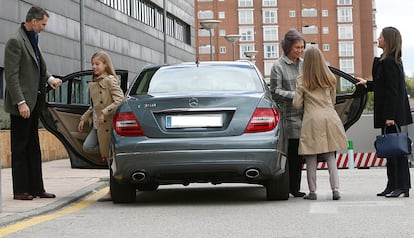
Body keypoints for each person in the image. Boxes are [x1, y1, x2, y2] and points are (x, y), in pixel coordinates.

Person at [3, 6, 62, 200]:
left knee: (34, 146)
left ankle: (37, 188)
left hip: (35, 101)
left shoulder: (33, 39)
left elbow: (38, 67)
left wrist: (50, 79)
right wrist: (20, 102)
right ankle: (21, 190)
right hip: (23, 104)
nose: (44, 27)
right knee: (20, 147)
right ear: (34, 21)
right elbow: (11, 76)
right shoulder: (15, 41)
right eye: (43, 24)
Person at [356, 27, 412, 198]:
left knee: (396, 152)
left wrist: (389, 116)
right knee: (392, 151)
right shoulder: (388, 60)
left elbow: (392, 91)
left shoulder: (390, 62)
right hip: (391, 113)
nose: (377, 39)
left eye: (380, 37)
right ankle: (392, 185)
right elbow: (383, 86)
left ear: (388, 40)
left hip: (391, 114)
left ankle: (400, 186)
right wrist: (368, 83)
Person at [293, 47, 348, 200]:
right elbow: (333, 100)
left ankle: (312, 192)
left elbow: (297, 104)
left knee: (311, 157)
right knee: (331, 156)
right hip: (330, 117)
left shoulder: (302, 80)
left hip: (312, 119)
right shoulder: (330, 78)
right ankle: (335, 189)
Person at [78, 51, 124, 202]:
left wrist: (105, 111)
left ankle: (112, 191)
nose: (94, 67)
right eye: (93, 64)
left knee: (111, 160)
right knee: (87, 146)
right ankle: (111, 155)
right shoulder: (96, 82)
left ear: (105, 65)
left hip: (107, 125)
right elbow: (95, 106)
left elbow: (120, 100)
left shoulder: (110, 80)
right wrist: (84, 117)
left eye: (97, 64)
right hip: (97, 125)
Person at [270, 29, 306, 197]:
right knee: (290, 153)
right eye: (297, 48)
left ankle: (295, 188)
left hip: (305, 115)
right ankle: (290, 187)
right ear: (288, 47)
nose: (300, 51)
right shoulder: (278, 66)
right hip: (287, 116)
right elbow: (275, 91)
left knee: (299, 154)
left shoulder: (303, 64)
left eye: (302, 47)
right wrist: (296, 96)